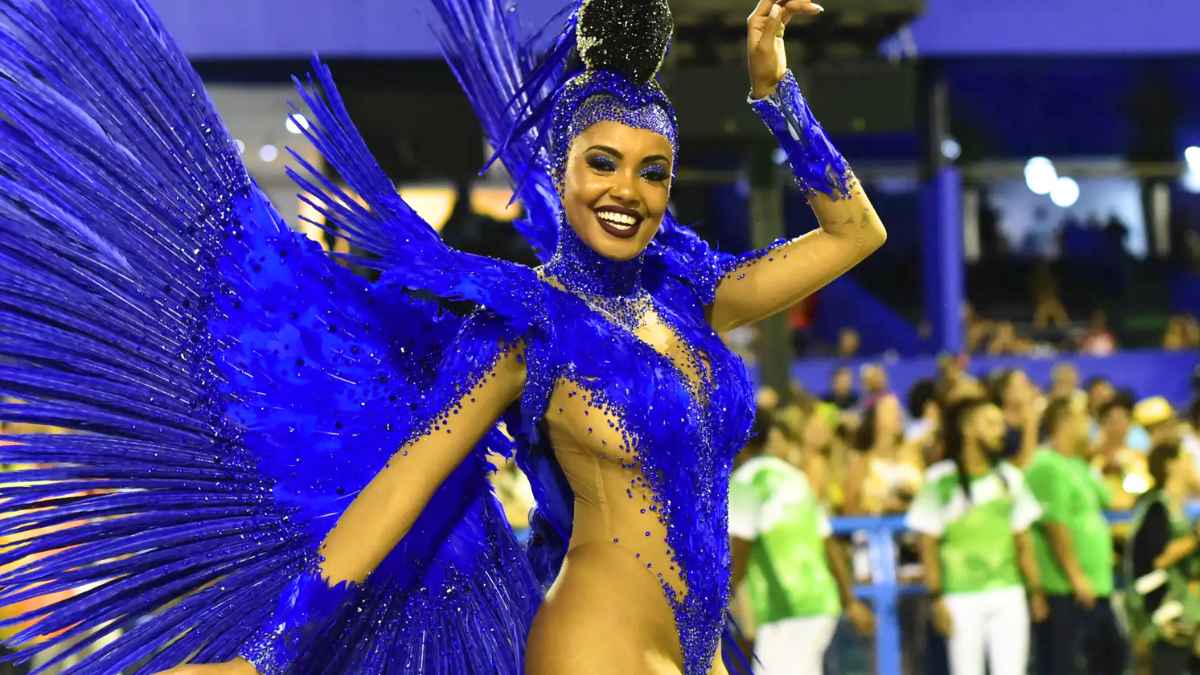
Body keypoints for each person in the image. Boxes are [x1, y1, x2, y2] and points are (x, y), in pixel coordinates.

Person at [0, 1, 886, 674]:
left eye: (653, 171)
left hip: (706, 648)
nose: (628, 190)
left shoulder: (691, 294)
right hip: (595, 641)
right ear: (564, 172)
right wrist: (268, 651)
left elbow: (854, 233)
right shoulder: (522, 327)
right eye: (602, 164)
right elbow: (402, 485)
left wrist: (777, 94)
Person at [907, 398, 1047, 675]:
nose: (1000, 431)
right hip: (961, 597)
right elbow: (927, 544)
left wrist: (1035, 592)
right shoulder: (940, 480)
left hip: (1008, 593)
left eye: (1001, 424)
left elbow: (1023, 542)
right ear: (968, 429)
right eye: (991, 424)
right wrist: (936, 598)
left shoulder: (1010, 477)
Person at [728, 411, 875, 674]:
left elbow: (740, 548)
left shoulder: (746, 482)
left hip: (790, 608)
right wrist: (848, 600)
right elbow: (827, 542)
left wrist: (713, 603)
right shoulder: (794, 476)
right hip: (816, 604)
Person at [1025, 398, 1128, 675]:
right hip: (1065, 589)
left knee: (1112, 657)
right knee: (1064, 665)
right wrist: (1075, 576)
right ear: (1064, 421)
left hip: (1098, 584)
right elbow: (1055, 526)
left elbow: (1112, 500)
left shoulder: (1080, 465)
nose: (1091, 425)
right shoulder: (1045, 464)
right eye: (1085, 417)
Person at [1126, 441, 1200, 674]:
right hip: (1163, 611)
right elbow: (1156, 559)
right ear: (1171, 466)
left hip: (1184, 608)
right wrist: (1195, 537)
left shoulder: (1179, 510)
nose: (1192, 466)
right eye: (1186, 459)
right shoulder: (1156, 507)